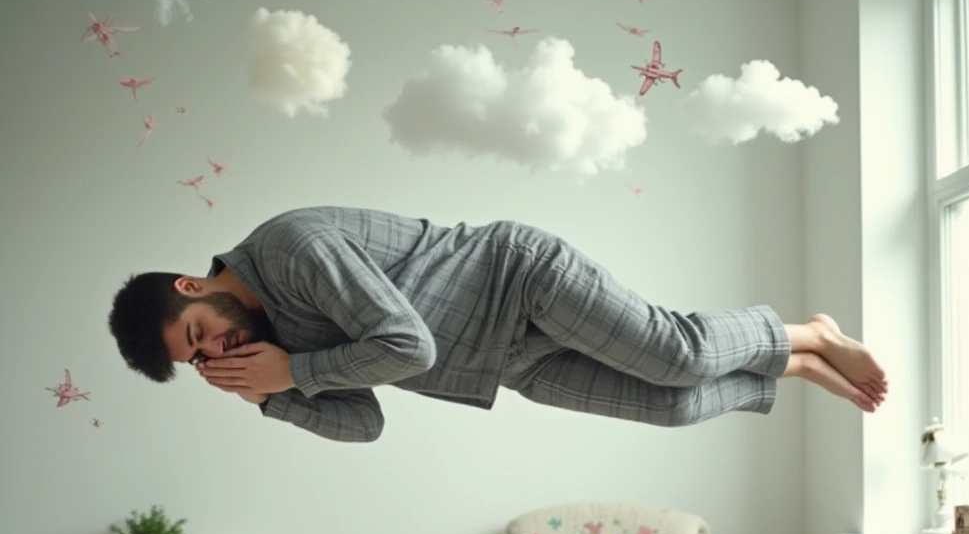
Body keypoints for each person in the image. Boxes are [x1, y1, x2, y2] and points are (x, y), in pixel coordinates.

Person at [107, 206, 887, 443]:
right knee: (676, 407)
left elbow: (409, 346)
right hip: (506, 364)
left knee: (677, 357)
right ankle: (793, 364)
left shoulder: (289, 249)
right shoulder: (271, 351)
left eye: (198, 334)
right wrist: (269, 397)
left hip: (520, 284)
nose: (214, 351)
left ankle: (806, 331)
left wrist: (295, 374)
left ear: (190, 287)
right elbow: (367, 421)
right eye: (198, 360)